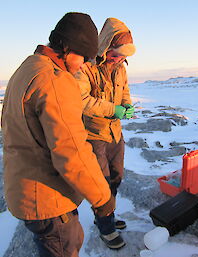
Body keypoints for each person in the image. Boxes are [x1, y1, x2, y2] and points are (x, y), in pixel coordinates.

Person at [1, 12, 115, 257]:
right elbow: (71, 151)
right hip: (47, 199)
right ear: (66, 48)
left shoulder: (28, 67)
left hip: (26, 191)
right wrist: (103, 198)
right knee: (64, 246)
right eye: (84, 57)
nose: (85, 64)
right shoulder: (55, 81)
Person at [75, 17, 136, 249]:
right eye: (115, 54)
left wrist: (127, 106)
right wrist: (114, 109)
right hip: (94, 137)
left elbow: (125, 92)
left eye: (123, 56)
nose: (119, 59)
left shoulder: (120, 68)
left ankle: (107, 216)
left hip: (115, 135)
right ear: (105, 45)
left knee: (116, 178)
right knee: (100, 184)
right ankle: (106, 228)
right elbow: (82, 100)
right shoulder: (86, 67)